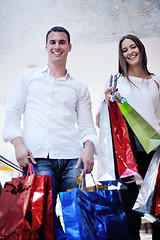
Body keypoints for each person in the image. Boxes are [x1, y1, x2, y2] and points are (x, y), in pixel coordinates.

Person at [2, 26, 98, 199]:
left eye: (62, 42)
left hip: (73, 161)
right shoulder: (28, 77)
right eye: (52, 42)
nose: (57, 46)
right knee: (42, 218)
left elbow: (86, 125)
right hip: (37, 159)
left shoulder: (80, 87)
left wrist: (89, 150)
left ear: (70, 47)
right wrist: (18, 145)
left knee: (75, 219)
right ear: (45, 46)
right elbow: (12, 114)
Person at [96, 34, 160, 240]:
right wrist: (106, 102)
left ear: (141, 49)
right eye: (125, 50)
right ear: (121, 55)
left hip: (154, 150)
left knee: (156, 207)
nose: (130, 52)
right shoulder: (115, 81)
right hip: (127, 154)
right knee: (131, 208)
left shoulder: (156, 81)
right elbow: (100, 120)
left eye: (133, 47)